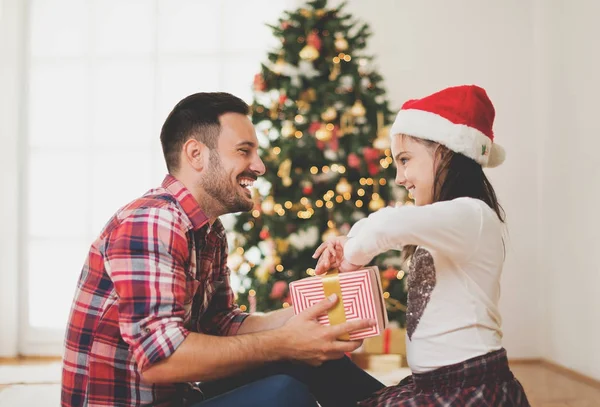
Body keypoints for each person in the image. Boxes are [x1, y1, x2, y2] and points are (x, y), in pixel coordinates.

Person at [61, 92, 384, 407]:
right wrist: (286, 343)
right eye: (244, 151)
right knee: (283, 395)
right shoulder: (153, 220)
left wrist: (325, 303)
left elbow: (222, 323)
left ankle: (394, 402)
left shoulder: (208, 230)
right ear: (195, 154)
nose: (258, 166)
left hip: (181, 397)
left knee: (311, 360)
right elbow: (161, 360)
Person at [314, 85, 531, 406]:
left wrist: (351, 258)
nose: (400, 177)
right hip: (432, 382)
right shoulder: (443, 222)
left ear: (445, 151)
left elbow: (388, 225)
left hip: (467, 386)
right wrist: (349, 241)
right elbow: (385, 225)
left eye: (405, 160)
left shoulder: (473, 215)